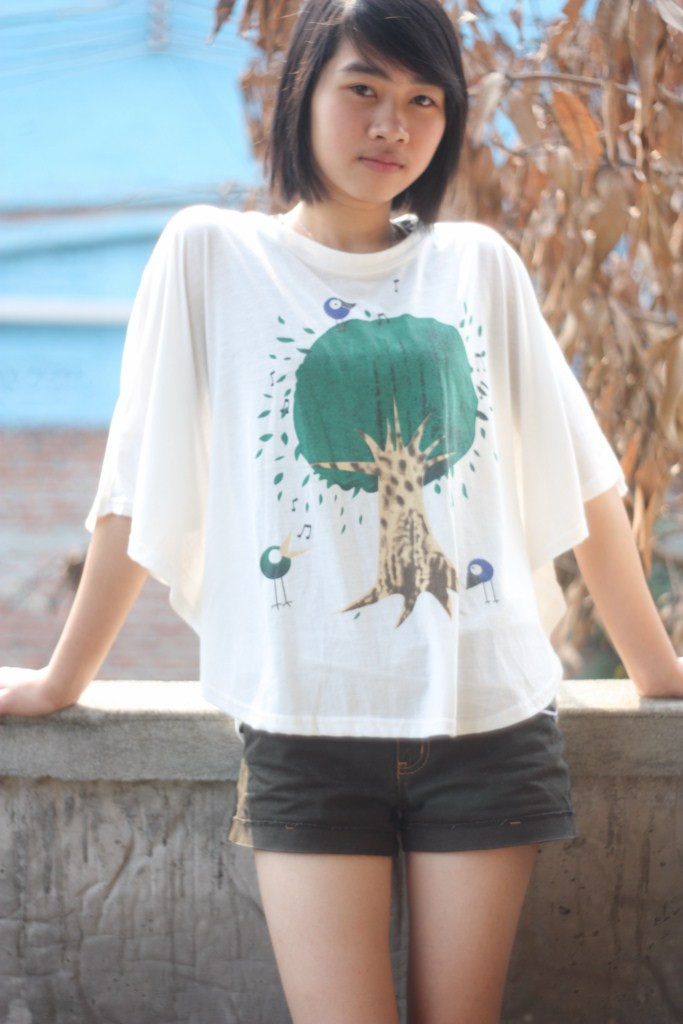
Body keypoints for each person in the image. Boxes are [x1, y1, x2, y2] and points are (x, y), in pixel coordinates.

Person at [1, 0, 682, 1021]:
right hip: (303, 725)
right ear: (301, 92)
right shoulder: (209, 254)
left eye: (423, 100)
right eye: (362, 89)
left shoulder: (476, 266)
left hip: (486, 719)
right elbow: (138, 485)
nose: (391, 125)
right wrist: (63, 678)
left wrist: (657, 672)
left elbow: (579, 478)